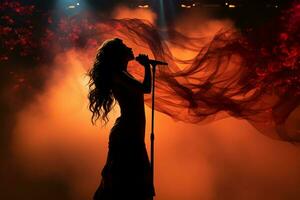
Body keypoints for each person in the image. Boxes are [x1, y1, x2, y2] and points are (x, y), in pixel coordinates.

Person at [87, 38, 155, 200]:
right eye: (125, 47)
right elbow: (145, 88)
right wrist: (147, 67)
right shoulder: (117, 74)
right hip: (126, 134)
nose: (130, 48)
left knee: (132, 183)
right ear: (118, 54)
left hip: (132, 133)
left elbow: (144, 89)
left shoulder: (123, 73)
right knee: (123, 183)